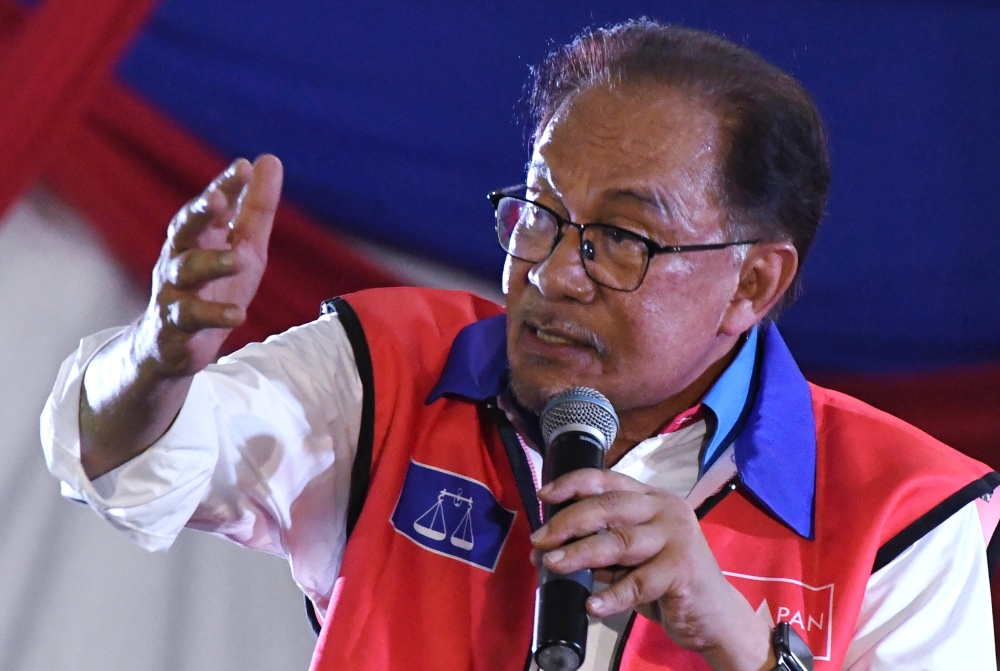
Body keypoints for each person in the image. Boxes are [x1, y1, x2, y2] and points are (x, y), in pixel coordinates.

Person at [42, 20, 998, 671]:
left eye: (623, 239)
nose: (553, 270)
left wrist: (743, 646)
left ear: (754, 283)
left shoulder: (902, 515)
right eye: (540, 212)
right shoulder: (389, 368)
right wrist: (163, 355)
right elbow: (131, 464)